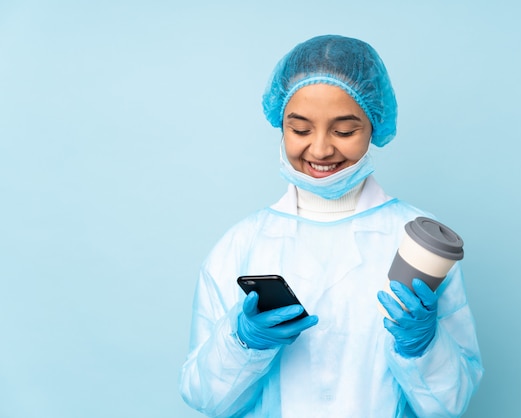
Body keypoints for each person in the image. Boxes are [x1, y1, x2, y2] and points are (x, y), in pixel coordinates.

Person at [179, 34, 483, 417]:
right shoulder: (242, 245)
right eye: (301, 130)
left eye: (343, 131)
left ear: (374, 126)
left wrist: (422, 347)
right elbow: (206, 400)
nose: (321, 150)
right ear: (281, 126)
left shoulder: (419, 240)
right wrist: (244, 343)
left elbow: (449, 405)